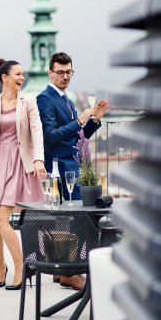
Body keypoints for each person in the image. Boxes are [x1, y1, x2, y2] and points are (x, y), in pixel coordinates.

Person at [36, 52, 109, 290]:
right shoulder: (45, 98)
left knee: (77, 218)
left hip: (73, 165)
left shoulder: (66, 100)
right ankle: (74, 271)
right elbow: (50, 137)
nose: (65, 76)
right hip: (61, 169)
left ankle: (65, 271)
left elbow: (78, 139)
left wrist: (94, 121)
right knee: (83, 218)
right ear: (51, 73)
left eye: (68, 72)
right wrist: (78, 121)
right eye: (60, 72)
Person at [0, 59, 46, 289]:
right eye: (18, 74)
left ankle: (21, 268)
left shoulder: (29, 101)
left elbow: (37, 131)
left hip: (18, 162)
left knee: (1, 218)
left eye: (23, 74)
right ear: (4, 77)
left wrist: (39, 159)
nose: (22, 78)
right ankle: (1, 266)